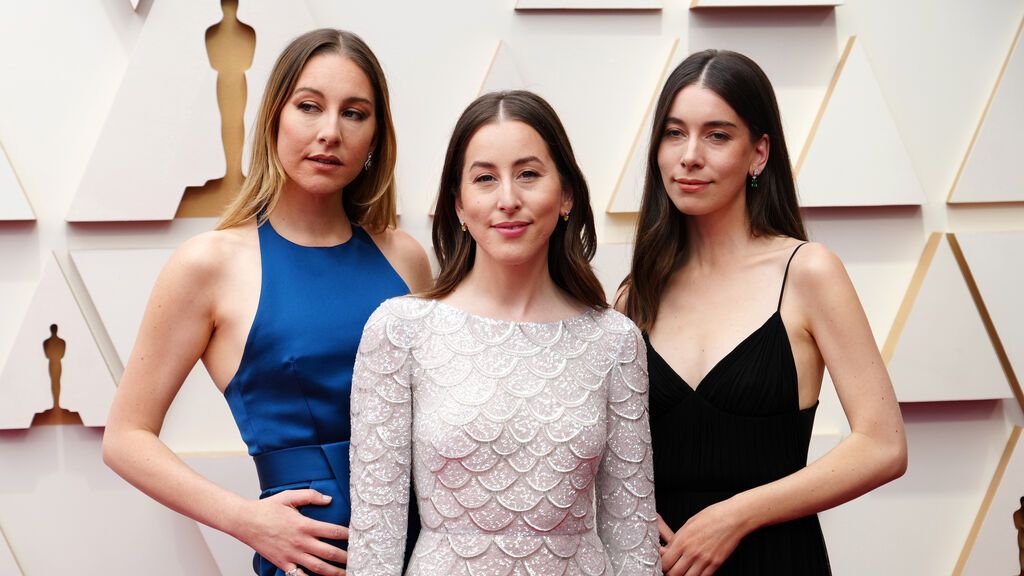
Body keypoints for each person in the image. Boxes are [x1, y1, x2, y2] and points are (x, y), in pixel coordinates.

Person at [102, 28, 431, 576]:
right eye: (309, 107)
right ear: (275, 117)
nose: (330, 132)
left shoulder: (407, 258)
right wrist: (245, 519)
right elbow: (125, 438)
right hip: (314, 554)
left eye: (354, 113)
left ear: (376, 136)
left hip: (429, 546)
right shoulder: (208, 265)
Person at [346, 90, 662, 575]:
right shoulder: (399, 329)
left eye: (529, 174)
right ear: (458, 204)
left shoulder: (615, 340)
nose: (508, 199)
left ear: (567, 195)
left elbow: (632, 538)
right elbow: (376, 539)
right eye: (485, 178)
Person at [617, 50, 908, 575]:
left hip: (776, 559)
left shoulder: (809, 272)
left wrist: (734, 516)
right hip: (659, 565)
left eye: (718, 135)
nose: (689, 155)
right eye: (674, 133)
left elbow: (882, 445)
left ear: (759, 153)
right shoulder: (635, 295)